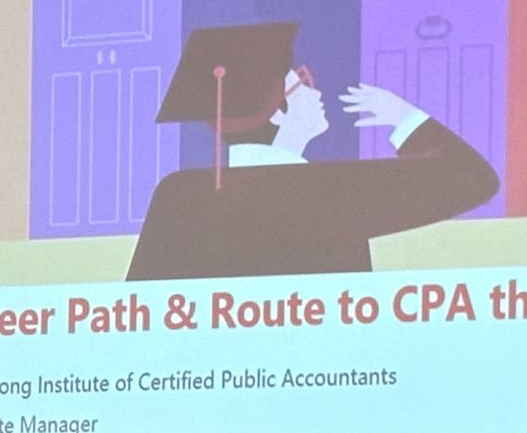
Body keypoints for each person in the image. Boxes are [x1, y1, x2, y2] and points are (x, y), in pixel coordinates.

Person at [128, 21, 499, 281]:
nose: (316, 91)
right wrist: (402, 116)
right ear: (278, 111)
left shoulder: (176, 195)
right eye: (303, 82)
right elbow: (472, 178)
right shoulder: (325, 191)